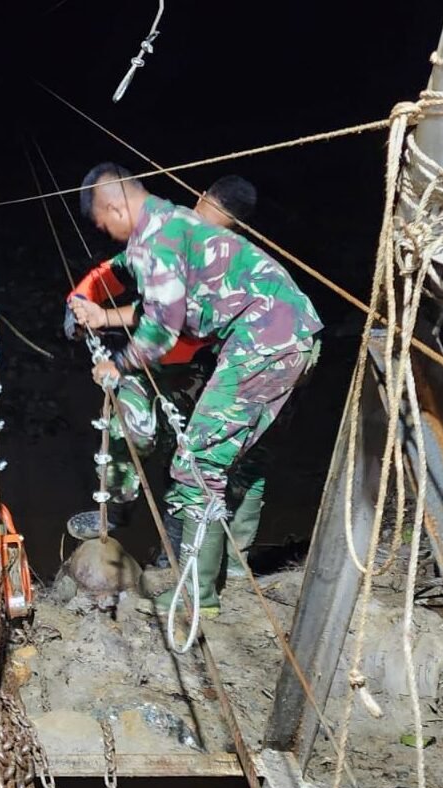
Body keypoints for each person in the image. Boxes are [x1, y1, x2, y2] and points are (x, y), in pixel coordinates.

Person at [65, 164, 321, 614]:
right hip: (294, 335)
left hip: (264, 342)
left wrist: (116, 364)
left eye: (104, 224)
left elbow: (162, 331)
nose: (108, 233)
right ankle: (233, 570)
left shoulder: (158, 239)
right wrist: (90, 304)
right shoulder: (173, 222)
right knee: (240, 455)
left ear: (115, 205)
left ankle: (197, 595)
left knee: (196, 464)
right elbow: (132, 280)